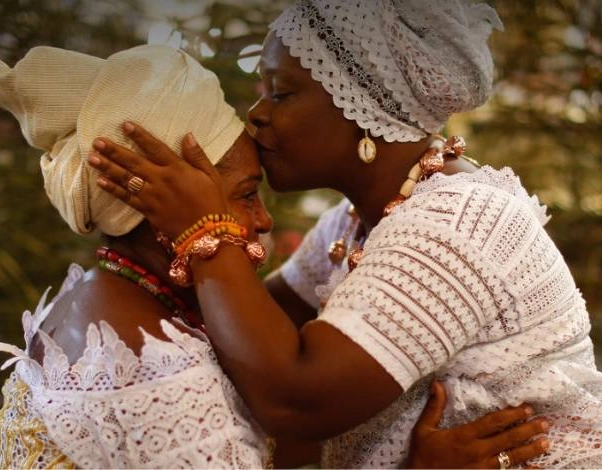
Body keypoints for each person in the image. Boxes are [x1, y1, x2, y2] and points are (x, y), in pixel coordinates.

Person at [87, 0, 602, 468]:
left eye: (280, 93)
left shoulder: (456, 227)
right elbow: (257, 330)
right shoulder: (360, 216)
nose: (257, 115)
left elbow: (297, 401)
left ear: (362, 108)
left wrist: (203, 230)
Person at [0, 43, 545, 469]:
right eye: (241, 195)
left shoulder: (111, 302)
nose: (263, 219)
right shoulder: (150, 362)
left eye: (279, 93)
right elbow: (285, 403)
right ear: (159, 211)